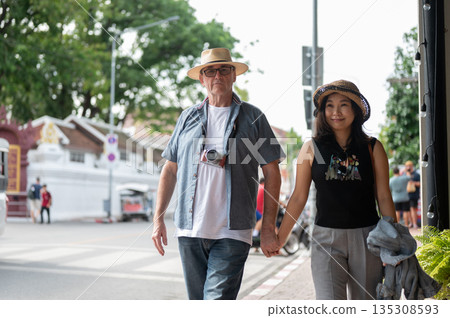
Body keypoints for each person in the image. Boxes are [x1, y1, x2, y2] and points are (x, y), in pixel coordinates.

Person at [151, 48, 284, 300]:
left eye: (224, 69)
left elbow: (272, 172)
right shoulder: (187, 117)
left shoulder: (254, 117)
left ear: (234, 75)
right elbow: (170, 169)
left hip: (232, 232)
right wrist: (157, 219)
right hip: (190, 231)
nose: (217, 76)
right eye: (210, 71)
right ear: (202, 79)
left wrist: (267, 227)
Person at [265, 80, 397, 300]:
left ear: (355, 110)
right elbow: (298, 197)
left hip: (366, 238)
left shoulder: (373, 147)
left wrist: (393, 242)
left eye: (344, 105)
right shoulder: (310, 148)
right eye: (329, 105)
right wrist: (281, 237)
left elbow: (383, 196)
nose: (336, 112)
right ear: (322, 111)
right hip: (325, 239)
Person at [405, 160, 420, 228]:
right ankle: (410, 223)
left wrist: (412, 183)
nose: (408, 167)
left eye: (409, 166)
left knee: (413, 209)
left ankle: (414, 224)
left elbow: (420, 184)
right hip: (405, 195)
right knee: (407, 210)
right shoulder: (404, 175)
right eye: (407, 166)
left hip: (414, 195)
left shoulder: (416, 175)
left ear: (412, 166)